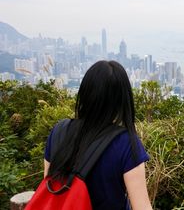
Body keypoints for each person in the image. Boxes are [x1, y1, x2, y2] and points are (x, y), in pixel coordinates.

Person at [43, 60, 152, 210]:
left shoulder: (59, 131)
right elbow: (142, 207)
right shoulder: (125, 143)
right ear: (121, 100)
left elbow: (50, 186)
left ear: (85, 93)